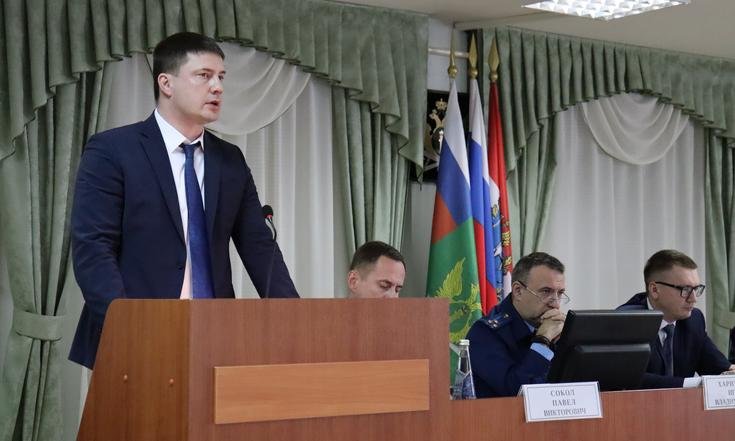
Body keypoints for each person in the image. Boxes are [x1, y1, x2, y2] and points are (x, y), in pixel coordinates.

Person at [69, 32, 299, 369]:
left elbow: (259, 247)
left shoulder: (230, 160)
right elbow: (93, 247)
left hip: (216, 337)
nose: (217, 87)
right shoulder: (113, 151)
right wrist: (126, 327)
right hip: (136, 336)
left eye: (221, 77)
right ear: (166, 83)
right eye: (204, 75)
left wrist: (294, 320)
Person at [618, 250, 735, 388]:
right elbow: (627, 378)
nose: (693, 299)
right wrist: (692, 384)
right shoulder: (626, 322)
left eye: (696, 289)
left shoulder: (694, 320)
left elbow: (719, 367)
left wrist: (730, 372)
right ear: (654, 290)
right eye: (686, 289)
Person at [467, 252, 567, 398]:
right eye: (546, 291)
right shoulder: (484, 333)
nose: (556, 303)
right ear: (518, 291)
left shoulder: (556, 329)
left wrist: (566, 342)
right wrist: (542, 341)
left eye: (560, 293)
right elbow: (515, 393)